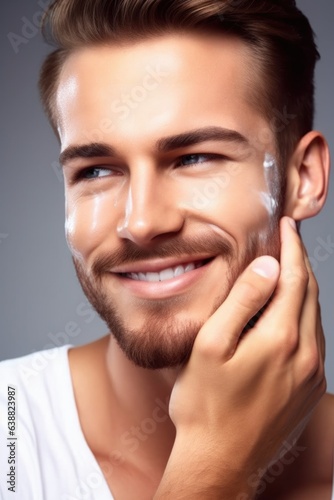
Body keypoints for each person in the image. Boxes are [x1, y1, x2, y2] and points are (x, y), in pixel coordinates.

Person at [0, 0, 333, 498]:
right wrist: (215, 465)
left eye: (194, 157)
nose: (141, 222)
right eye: (96, 170)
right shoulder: (9, 429)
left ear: (303, 178)